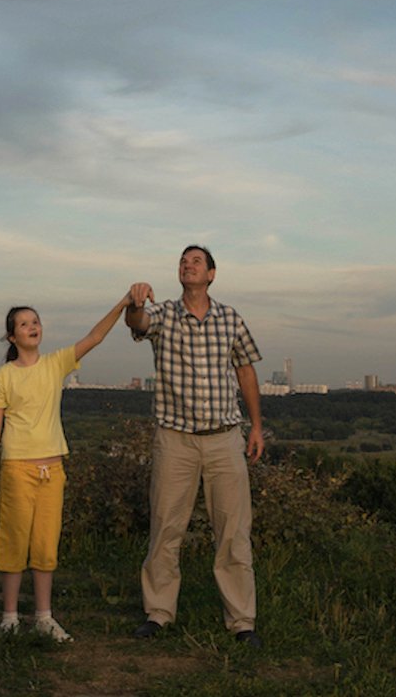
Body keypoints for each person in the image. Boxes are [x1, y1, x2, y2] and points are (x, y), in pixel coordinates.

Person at [125, 245, 265, 648]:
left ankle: (242, 621)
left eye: (196, 261)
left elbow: (245, 370)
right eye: (183, 261)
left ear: (212, 274)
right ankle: (158, 613)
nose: (188, 265)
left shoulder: (230, 318)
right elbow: (138, 323)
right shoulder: (164, 314)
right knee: (166, 528)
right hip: (175, 440)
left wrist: (256, 426)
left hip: (224, 439)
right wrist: (133, 303)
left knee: (234, 532)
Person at [0, 293, 132, 642]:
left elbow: (94, 337)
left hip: (53, 470)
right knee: (14, 541)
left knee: (46, 545)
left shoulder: (55, 364)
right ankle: (9, 617)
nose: (32, 327)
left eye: (35, 322)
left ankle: (44, 617)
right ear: (12, 336)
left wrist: (123, 304)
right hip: (18, 468)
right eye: (24, 324)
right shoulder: (3, 376)